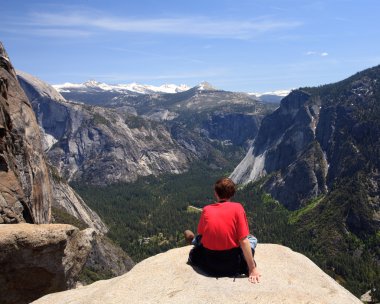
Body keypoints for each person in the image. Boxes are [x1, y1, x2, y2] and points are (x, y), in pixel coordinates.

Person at [185, 177, 261, 283]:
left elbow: (201, 232)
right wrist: (252, 268)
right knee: (251, 239)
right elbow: (243, 241)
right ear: (232, 194)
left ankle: (193, 241)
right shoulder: (238, 208)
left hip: (208, 264)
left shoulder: (206, 209)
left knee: (199, 238)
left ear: (216, 193)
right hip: (233, 265)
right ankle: (194, 240)